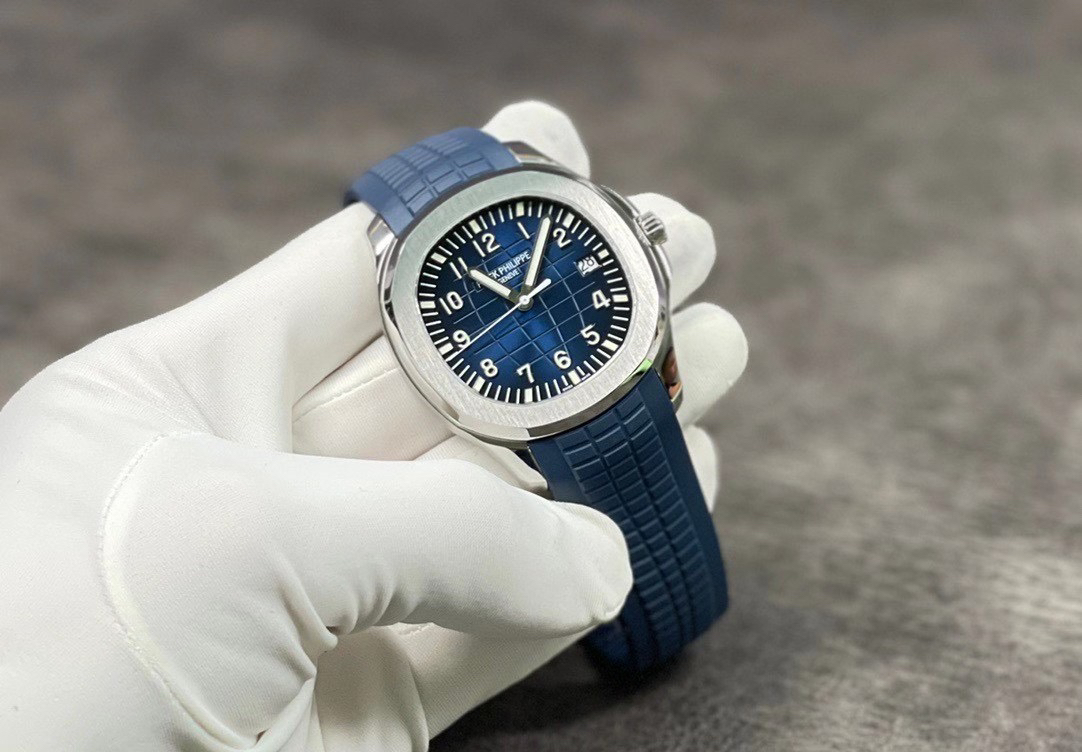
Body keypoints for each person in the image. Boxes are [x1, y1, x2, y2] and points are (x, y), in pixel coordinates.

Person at [0, 102, 747, 751]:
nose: (524, 301)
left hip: (597, 371)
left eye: (529, 289)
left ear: (637, 235)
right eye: (511, 293)